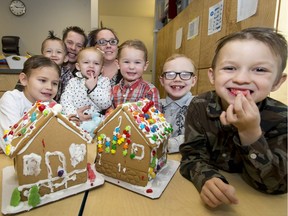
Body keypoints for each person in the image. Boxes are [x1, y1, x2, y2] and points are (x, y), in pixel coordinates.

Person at [179, 27, 287, 208]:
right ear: (212, 76)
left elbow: (276, 184)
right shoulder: (199, 105)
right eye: (230, 68)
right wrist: (206, 178)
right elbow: (192, 155)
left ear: (277, 82)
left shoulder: (281, 118)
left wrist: (250, 131)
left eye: (259, 69)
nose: (241, 79)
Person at [0, 55, 60, 151]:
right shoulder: (11, 99)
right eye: (43, 80)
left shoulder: (53, 105)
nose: (49, 87)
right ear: (24, 79)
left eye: (55, 83)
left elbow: (57, 138)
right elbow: (13, 140)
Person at [60, 47, 111, 135]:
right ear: (78, 66)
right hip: (75, 121)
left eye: (96, 63)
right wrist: (75, 115)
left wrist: (93, 88)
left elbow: (106, 104)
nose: (91, 66)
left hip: (95, 123)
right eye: (86, 62)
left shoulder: (104, 81)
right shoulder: (73, 82)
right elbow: (65, 100)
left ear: (101, 69)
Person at [159, 54, 197, 153]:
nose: (177, 79)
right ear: (162, 81)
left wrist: (167, 145)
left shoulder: (199, 106)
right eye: (170, 74)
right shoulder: (155, 106)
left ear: (193, 80)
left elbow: (196, 135)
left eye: (185, 74)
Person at [112, 39, 160, 110]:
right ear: (118, 64)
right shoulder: (113, 90)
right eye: (126, 62)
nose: (131, 67)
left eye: (137, 62)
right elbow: (109, 114)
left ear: (145, 66)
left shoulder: (150, 91)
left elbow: (156, 117)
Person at [57, 26, 87, 102]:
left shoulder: (84, 77)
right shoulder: (49, 68)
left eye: (79, 45)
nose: (73, 48)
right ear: (62, 43)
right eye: (70, 43)